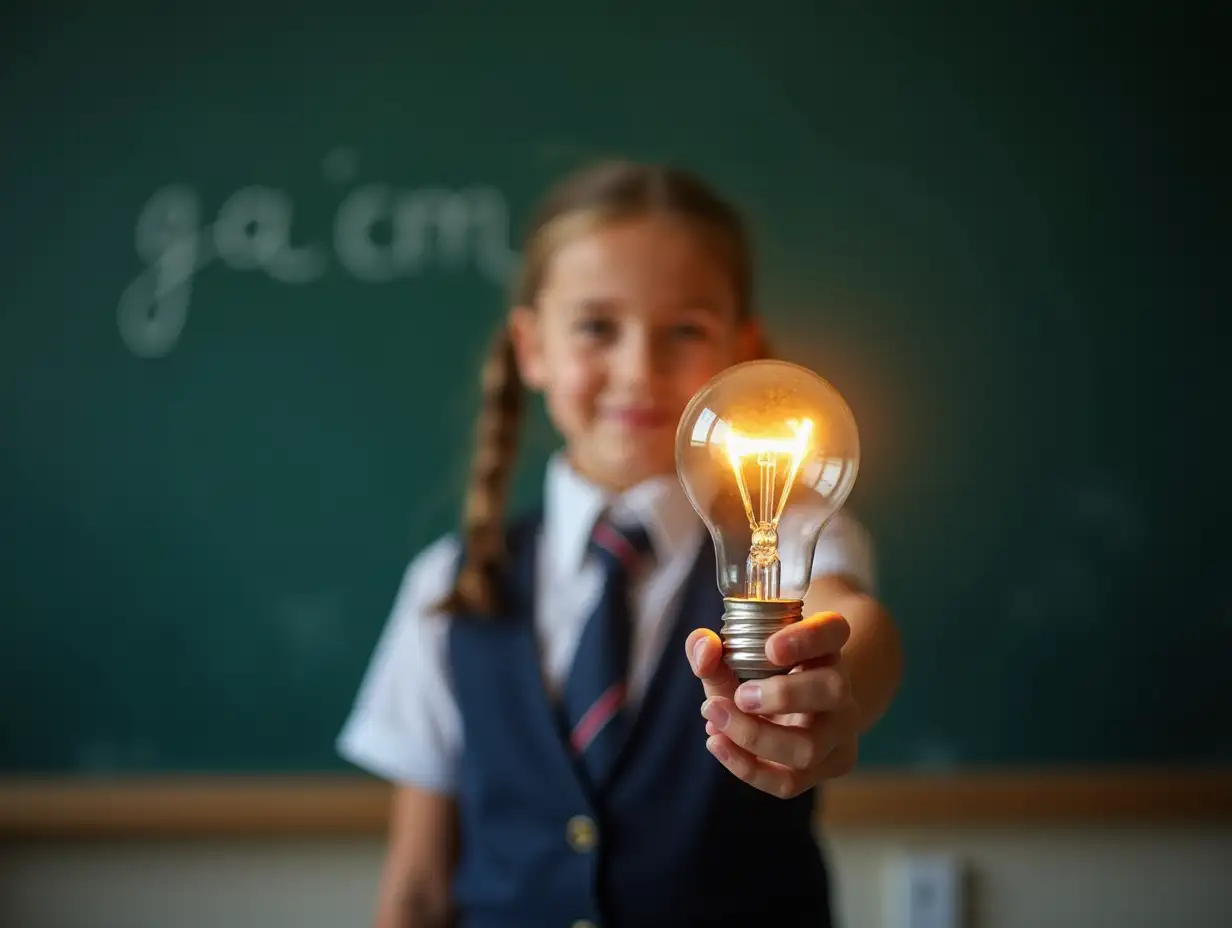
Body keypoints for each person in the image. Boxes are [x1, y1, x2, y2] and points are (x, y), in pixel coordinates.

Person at [337, 160, 902, 928]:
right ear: (531, 348)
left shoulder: (792, 531)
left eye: (685, 330)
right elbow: (416, 888)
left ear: (743, 351)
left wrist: (835, 692)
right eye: (598, 327)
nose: (640, 371)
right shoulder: (450, 583)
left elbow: (855, 626)